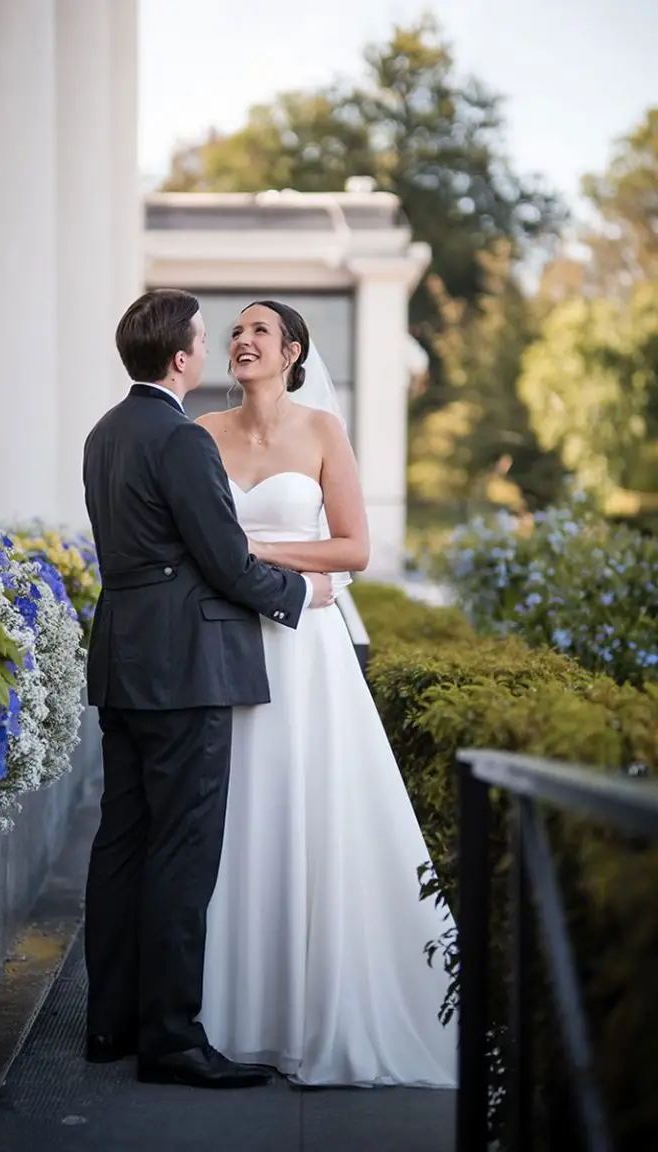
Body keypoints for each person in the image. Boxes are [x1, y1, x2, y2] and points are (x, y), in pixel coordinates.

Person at [196, 301, 457, 1088]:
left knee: (306, 807)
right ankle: (226, 1015)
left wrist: (252, 550)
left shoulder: (320, 433)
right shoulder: (200, 435)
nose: (242, 341)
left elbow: (356, 548)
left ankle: (313, 1010)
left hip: (307, 651)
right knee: (233, 813)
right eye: (235, 332)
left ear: (292, 351)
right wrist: (255, 565)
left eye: (259, 332)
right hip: (224, 643)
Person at [82, 289, 334, 1090]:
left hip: (121, 660)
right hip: (185, 667)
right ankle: (172, 1041)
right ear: (183, 356)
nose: (216, 345)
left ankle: (108, 1023)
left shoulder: (104, 433)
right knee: (183, 852)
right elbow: (222, 560)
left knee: (120, 844)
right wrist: (300, 597)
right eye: (207, 336)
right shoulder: (183, 440)